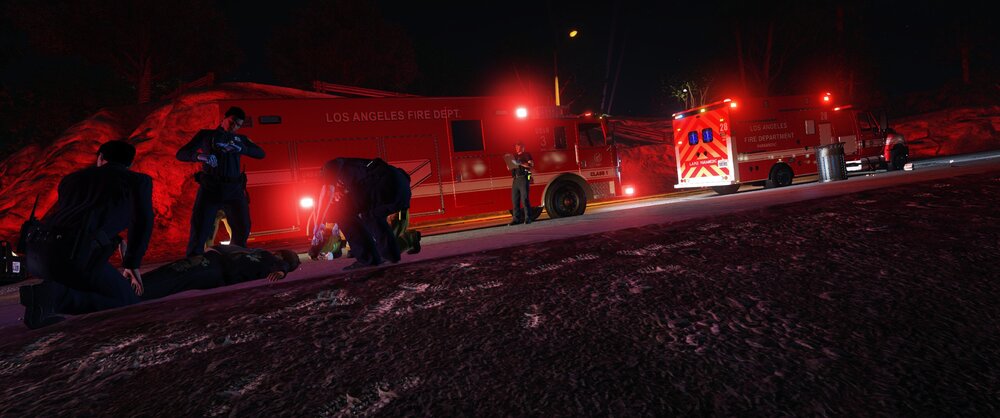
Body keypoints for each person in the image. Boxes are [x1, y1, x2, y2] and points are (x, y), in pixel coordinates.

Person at [19, 140, 154, 329]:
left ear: (101, 157)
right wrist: (132, 263)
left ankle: (46, 301)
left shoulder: (70, 179)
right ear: (130, 162)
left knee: (92, 285)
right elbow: (143, 221)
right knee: (127, 300)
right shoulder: (137, 181)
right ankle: (54, 296)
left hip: (39, 255)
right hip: (77, 259)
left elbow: (73, 218)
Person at [176, 106, 265, 257]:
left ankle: (237, 257)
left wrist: (241, 149)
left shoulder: (240, 139)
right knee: (200, 228)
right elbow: (181, 153)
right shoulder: (206, 135)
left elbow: (260, 153)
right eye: (232, 122)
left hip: (234, 189)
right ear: (224, 118)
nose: (234, 126)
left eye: (238, 125)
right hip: (211, 188)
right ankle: (194, 261)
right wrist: (200, 157)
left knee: (243, 227)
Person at [319, 157, 412, 270]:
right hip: (402, 192)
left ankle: (368, 259)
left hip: (384, 185)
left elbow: (327, 193)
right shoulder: (355, 168)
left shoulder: (330, 166)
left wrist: (318, 224)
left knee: (340, 211)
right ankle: (391, 255)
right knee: (371, 216)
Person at [139, 245, 301, 301]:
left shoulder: (271, 260)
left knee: (173, 277)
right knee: (173, 274)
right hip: (214, 264)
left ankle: (135, 291)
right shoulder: (264, 257)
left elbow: (284, 265)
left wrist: (282, 271)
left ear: (281, 255)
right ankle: (135, 289)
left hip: (215, 269)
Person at [509, 142, 534, 225]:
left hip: (523, 178)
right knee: (515, 200)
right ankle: (516, 219)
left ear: (523, 147)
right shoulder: (514, 156)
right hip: (515, 179)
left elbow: (531, 165)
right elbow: (510, 167)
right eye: (516, 147)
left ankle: (528, 218)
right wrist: (509, 165)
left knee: (524, 199)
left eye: (518, 147)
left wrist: (520, 163)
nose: (517, 148)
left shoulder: (526, 155)